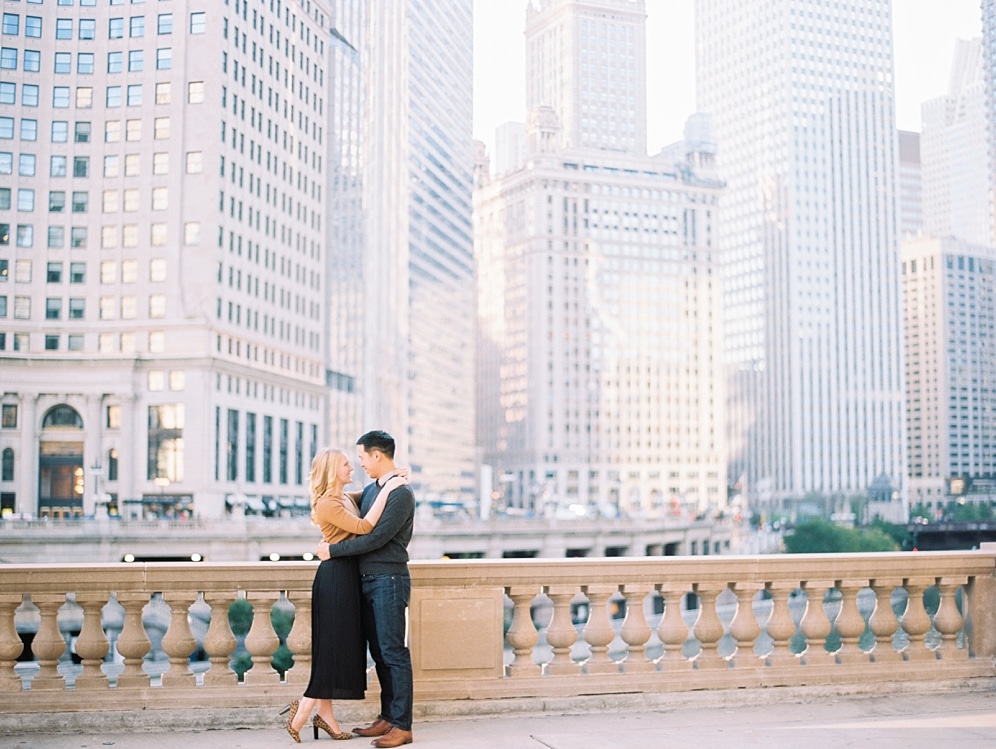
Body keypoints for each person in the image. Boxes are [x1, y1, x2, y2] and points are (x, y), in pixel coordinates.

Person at [283, 447, 408, 743]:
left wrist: (391, 478)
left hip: (348, 577)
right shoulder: (328, 503)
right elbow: (365, 526)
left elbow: (366, 499)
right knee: (331, 646)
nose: (352, 468)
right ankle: (304, 706)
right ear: (331, 469)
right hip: (335, 578)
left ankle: (324, 714)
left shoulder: (345, 498)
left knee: (337, 646)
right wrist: (391, 486)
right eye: (346, 465)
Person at [316, 430, 416, 748]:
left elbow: (374, 538)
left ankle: (402, 725)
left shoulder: (400, 494)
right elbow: (345, 502)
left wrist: (332, 551)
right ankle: (388, 717)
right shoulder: (376, 488)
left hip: (389, 580)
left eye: (361, 457)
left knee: (393, 652)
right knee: (379, 653)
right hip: (370, 582)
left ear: (377, 455)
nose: (359, 464)